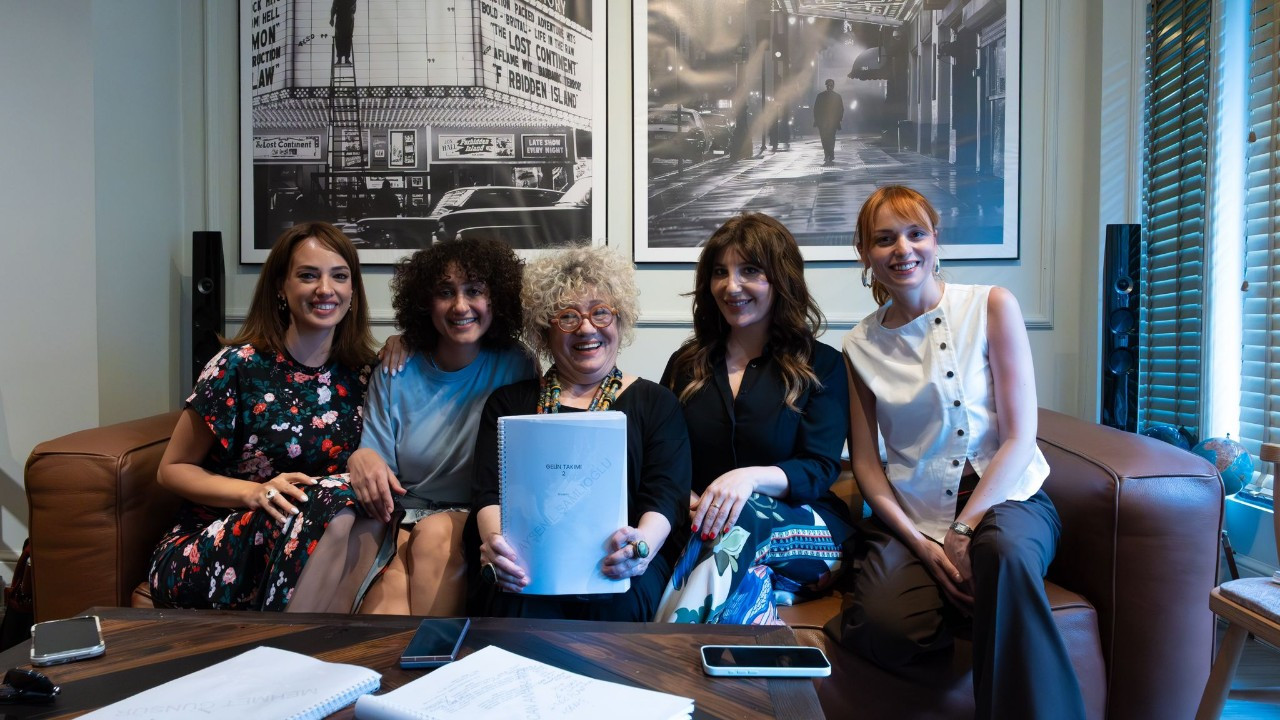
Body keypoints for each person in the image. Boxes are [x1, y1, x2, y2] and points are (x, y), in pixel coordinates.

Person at [831, 186, 1085, 718]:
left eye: (915, 233)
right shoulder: (858, 345)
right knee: (883, 624)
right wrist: (923, 547)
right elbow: (867, 468)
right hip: (917, 515)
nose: (903, 249)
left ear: (935, 239)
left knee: (1003, 555)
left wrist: (965, 530)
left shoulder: (992, 305)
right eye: (884, 239)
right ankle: (978, 599)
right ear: (865, 254)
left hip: (1008, 499)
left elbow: (1020, 437)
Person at [148, 222, 382, 612]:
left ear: (353, 290)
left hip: (314, 533)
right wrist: (255, 493)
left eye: (339, 276)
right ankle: (286, 644)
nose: (326, 289)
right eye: (308, 275)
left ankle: (333, 639)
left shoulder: (362, 374)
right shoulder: (237, 367)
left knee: (369, 503)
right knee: (337, 501)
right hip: (213, 545)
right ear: (280, 287)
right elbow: (172, 469)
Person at [471, 247, 691, 621]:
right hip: (527, 565)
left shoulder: (657, 403)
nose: (587, 328)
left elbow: (666, 495)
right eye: (568, 317)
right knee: (514, 605)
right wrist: (497, 548)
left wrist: (641, 549)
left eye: (600, 312)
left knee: (618, 605)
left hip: (621, 566)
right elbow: (489, 492)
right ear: (546, 330)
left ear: (619, 320)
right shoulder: (508, 403)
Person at [654, 213, 851, 625]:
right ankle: (760, 590)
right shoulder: (686, 365)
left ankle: (665, 648)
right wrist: (686, 499)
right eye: (720, 272)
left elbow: (819, 467)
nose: (731, 286)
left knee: (738, 518)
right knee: (740, 567)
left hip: (808, 528)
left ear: (781, 279)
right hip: (706, 527)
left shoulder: (823, 365)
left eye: (749, 271)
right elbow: (662, 455)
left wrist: (746, 480)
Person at [351, 238, 536, 615]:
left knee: (434, 537)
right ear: (425, 302)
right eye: (445, 292)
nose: (460, 306)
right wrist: (363, 458)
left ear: (496, 299)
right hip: (403, 518)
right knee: (386, 615)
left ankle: (440, 652)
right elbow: (378, 466)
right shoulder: (396, 368)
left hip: (476, 516)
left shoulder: (517, 364)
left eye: (475, 291)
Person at [813, 79, 844, 165]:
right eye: (828, 85)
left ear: (833, 86)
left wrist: (838, 119)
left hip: (832, 122)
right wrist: (817, 119)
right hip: (823, 122)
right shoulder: (821, 96)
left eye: (831, 85)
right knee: (825, 139)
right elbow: (816, 109)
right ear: (826, 86)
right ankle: (828, 154)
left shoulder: (836, 96)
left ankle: (829, 154)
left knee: (830, 138)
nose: (830, 87)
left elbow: (841, 109)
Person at [330, 0, 357, 65]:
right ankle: (340, 58)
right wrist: (332, 18)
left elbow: (353, 10)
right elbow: (334, 7)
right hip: (341, 19)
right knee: (339, 38)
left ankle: (346, 58)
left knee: (347, 38)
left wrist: (332, 18)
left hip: (348, 19)